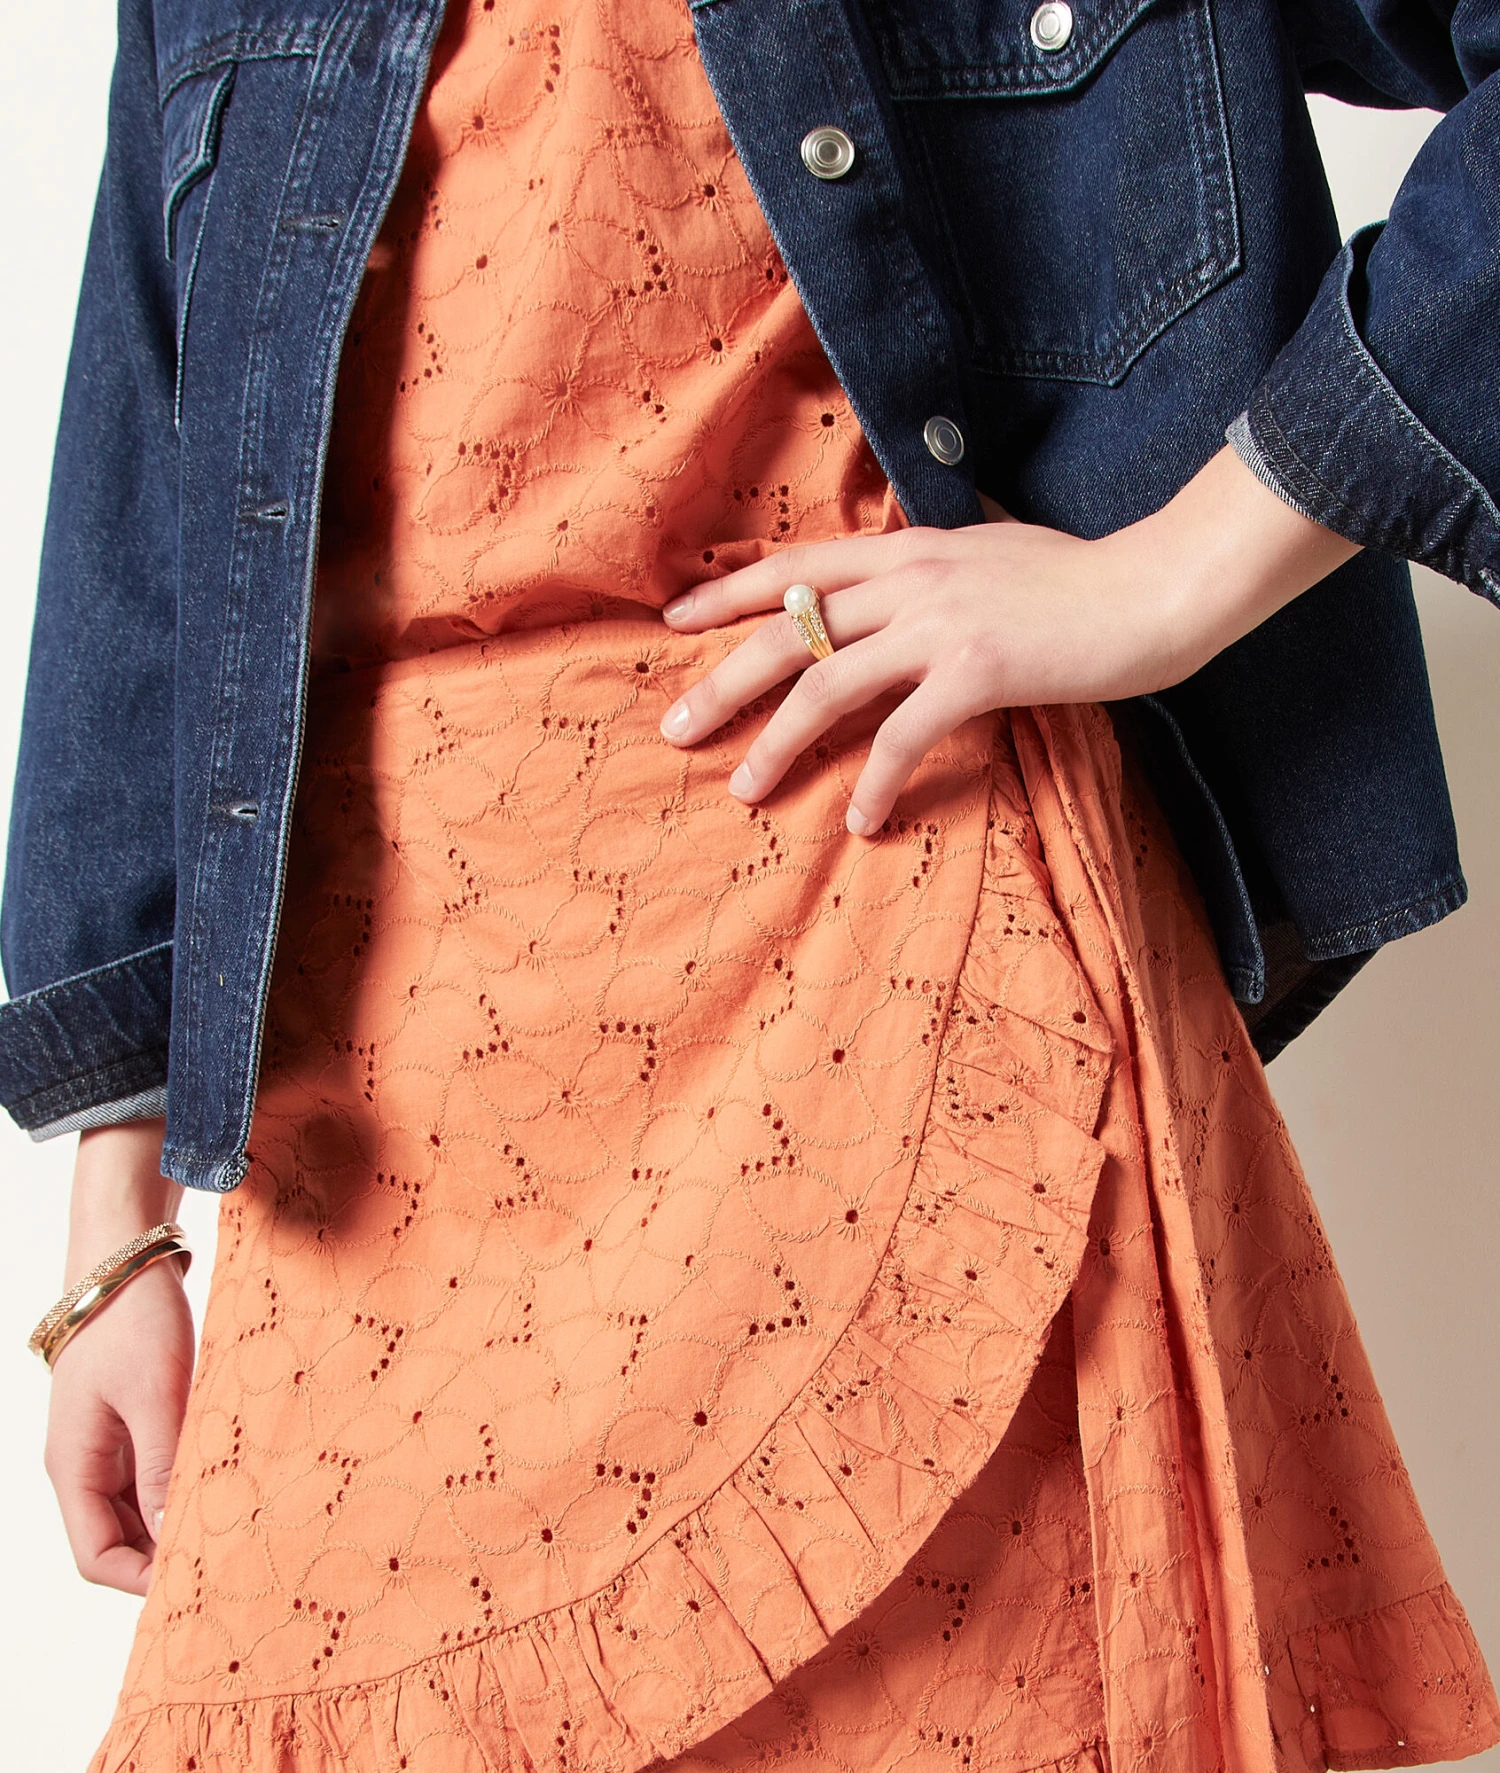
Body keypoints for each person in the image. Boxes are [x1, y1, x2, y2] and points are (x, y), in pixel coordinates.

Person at [3, 0, 1498, 1769]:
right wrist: (115, 1223)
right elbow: (150, 460)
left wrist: (1171, 579)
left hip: (892, 941)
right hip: (375, 1086)